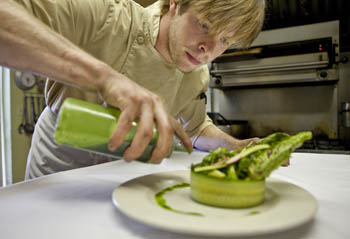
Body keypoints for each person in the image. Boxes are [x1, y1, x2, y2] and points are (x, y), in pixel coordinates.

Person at [0, 0, 265, 179]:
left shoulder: (197, 71)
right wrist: (104, 78)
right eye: (205, 25)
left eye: (225, 40)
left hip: (125, 175)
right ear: (175, 3)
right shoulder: (108, 17)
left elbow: (194, 128)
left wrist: (233, 146)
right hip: (60, 165)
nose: (208, 49)